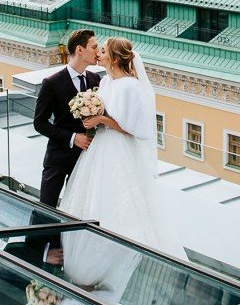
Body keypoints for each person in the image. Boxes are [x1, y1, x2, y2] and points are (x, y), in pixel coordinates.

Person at [59, 37, 184, 286]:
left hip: (118, 149)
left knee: (118, 202)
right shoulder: (105, 81)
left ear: (114, 59)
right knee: (93, 198)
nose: (99, 55)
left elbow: (132, 128)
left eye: (103, 51)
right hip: (99, 149)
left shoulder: (131, 86)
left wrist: (101, 121)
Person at [33, 29, 100, 208]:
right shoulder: (51, 83)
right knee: (46, 208)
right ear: (80, 50)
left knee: (78, 208)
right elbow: (39, 123)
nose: (98, 52)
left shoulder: (95, 79)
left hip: (86, 158)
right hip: (58, 158)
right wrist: (73, 138)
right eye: (94, 47)